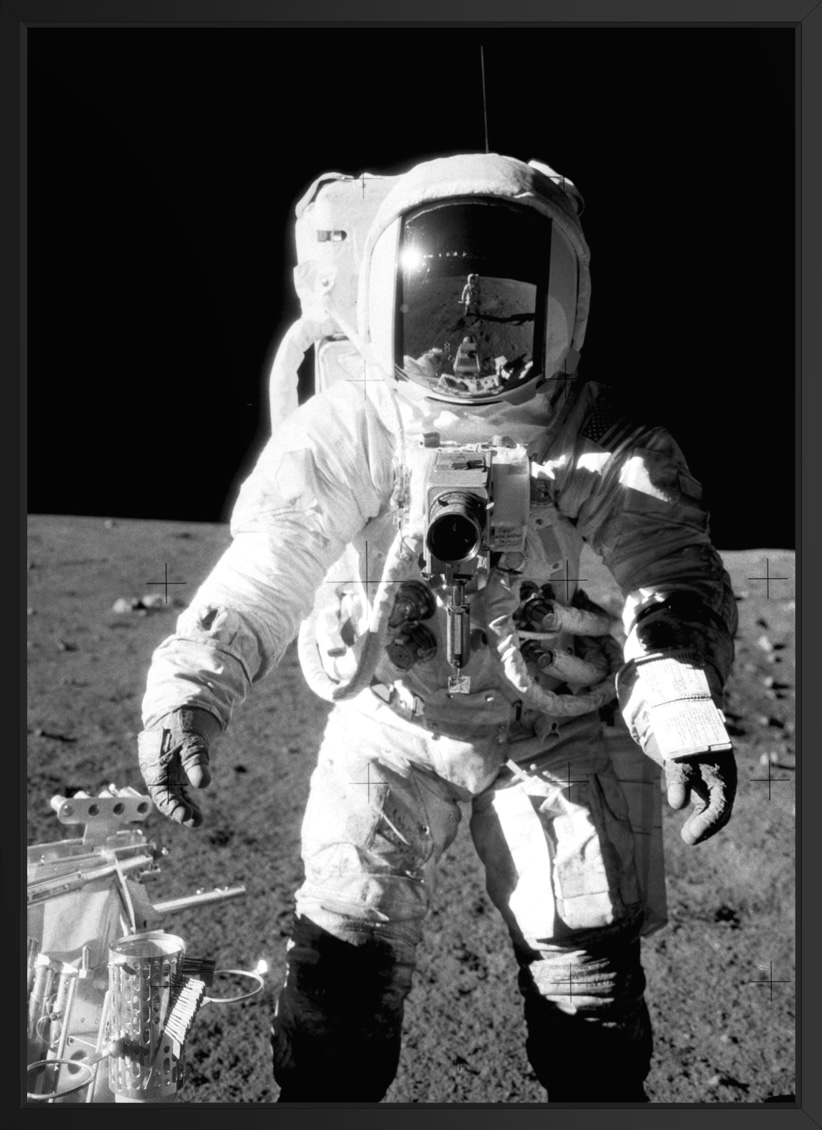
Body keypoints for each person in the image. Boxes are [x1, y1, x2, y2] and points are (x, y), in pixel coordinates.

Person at [137, 153, 738, 1104]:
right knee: (344, 953)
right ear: (387, 303)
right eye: (443, 313)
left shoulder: (600, 444)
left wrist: (681, 713)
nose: (470, 345)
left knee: (584, 969)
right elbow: (273, 558)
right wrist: (192, 688)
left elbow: (668, 575)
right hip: (393, 720)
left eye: (499, 313)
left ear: (561, 304)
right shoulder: (356, 428)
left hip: (555, 729)